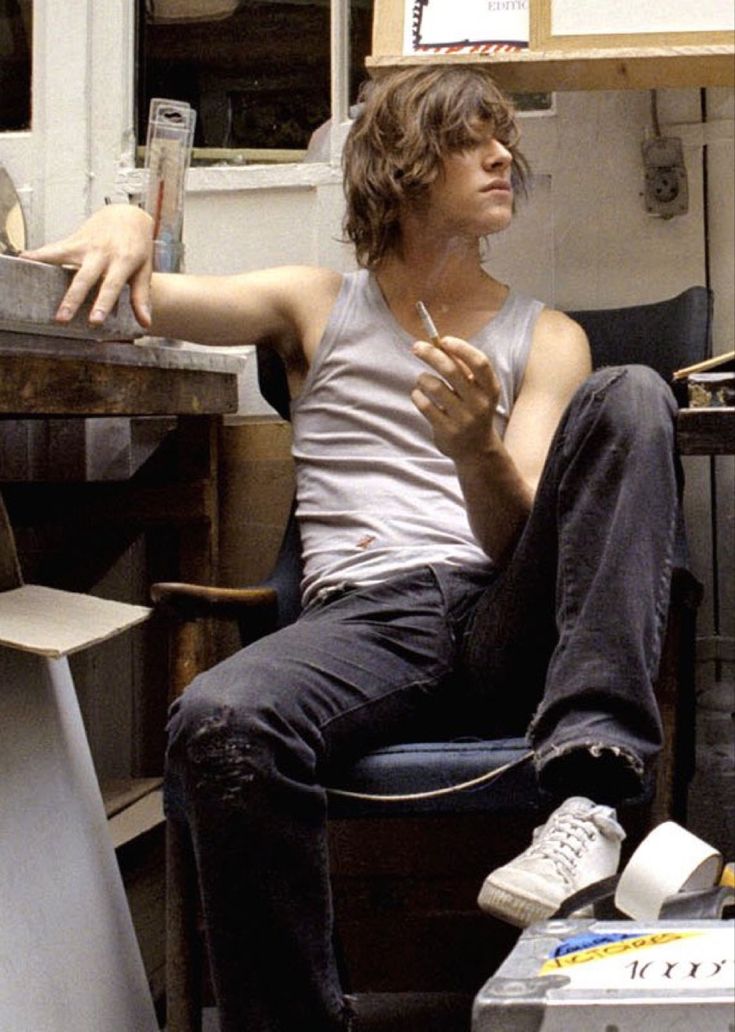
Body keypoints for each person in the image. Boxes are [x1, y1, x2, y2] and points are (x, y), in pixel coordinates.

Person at [25, 66, 681, 1032]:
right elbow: (142, 299)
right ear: (405, 167)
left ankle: (586, 796)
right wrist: (125, 221)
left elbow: (522, 539)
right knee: (218, 721)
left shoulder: (545, 337)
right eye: (472, 139)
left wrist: (472, 450)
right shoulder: (313, 304)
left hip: (505, 613)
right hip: (365, 625)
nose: (505, 156)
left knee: (631, 391)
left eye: (506, 137)